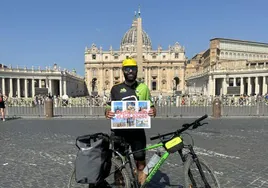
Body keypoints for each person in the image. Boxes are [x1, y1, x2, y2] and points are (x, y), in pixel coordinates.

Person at [105, 57, 156, 185]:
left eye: (133, 69)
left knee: (140, 163)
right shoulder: (115, 89)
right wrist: (107, 112)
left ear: (137, 70)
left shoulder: (144, 88)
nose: (130, 71)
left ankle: (140, 185)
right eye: (127, 69)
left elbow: (152, 106)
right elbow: (108, 106)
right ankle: (120, 186)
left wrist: (153, 111)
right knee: (119, 164)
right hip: (119, 132)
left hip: (137, 132)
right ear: (123, 71)